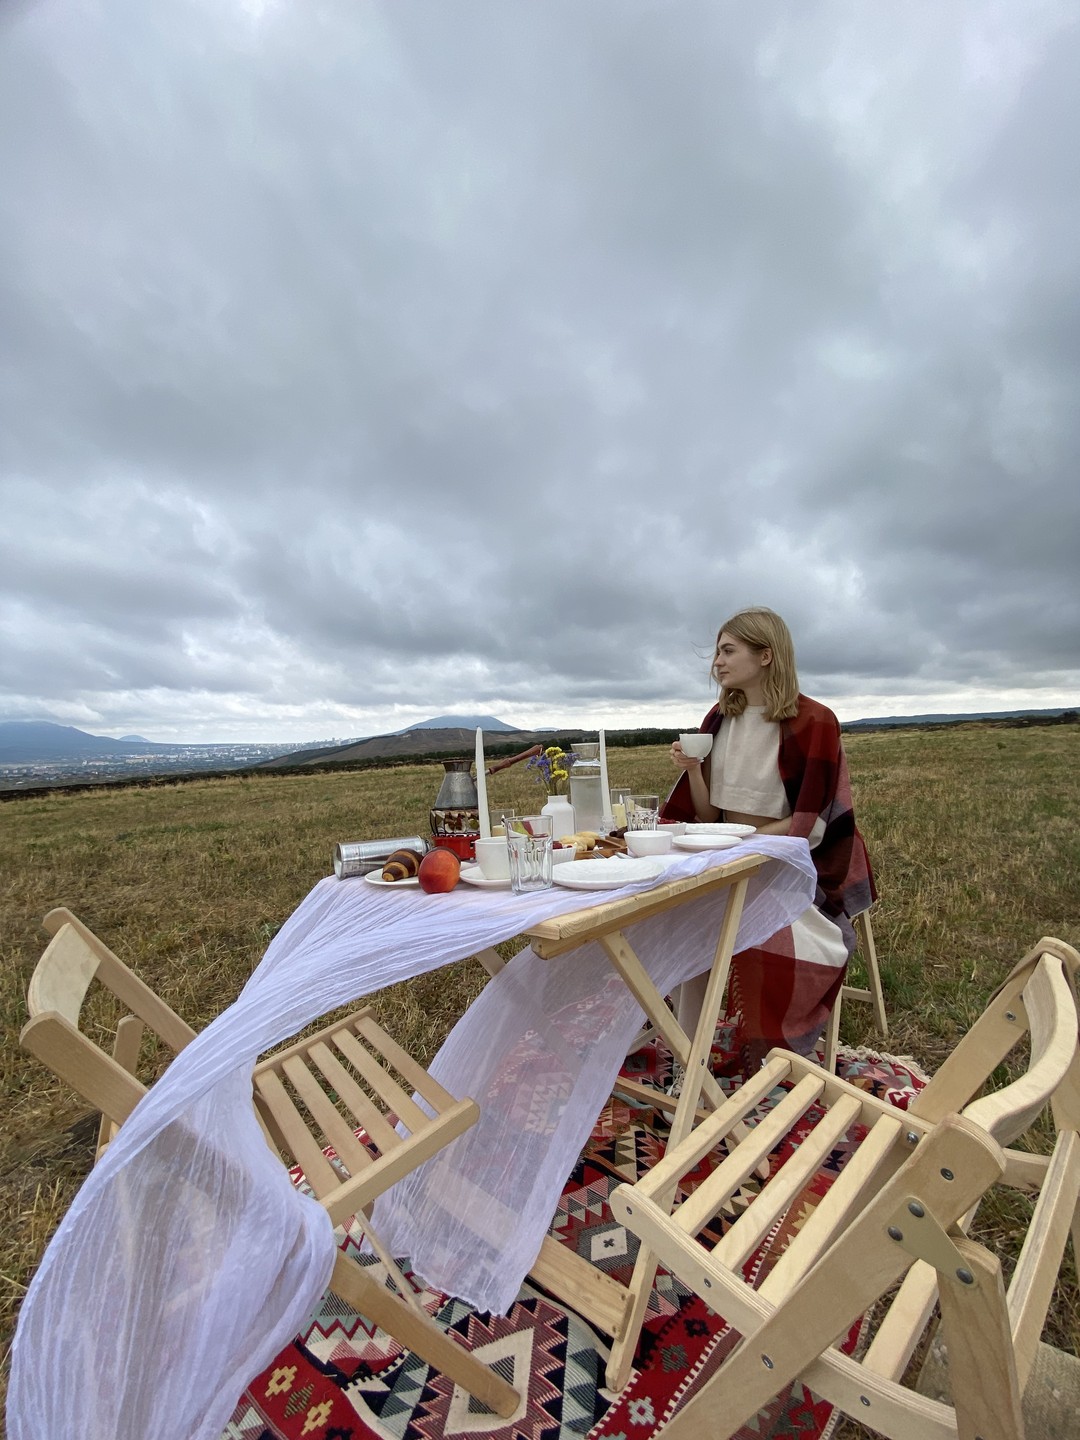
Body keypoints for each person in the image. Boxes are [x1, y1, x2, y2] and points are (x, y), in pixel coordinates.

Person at [662, 606, 875, 1073]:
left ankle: (761, 1055)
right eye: (717, 652)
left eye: (727, 650)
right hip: (728, 854)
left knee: (725, 926)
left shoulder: (814, 721)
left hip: (789, 862)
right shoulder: (720, 717)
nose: (716, 662)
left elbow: (811, 824)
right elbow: (705, 815)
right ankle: (686, 1055)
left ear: (765, 655)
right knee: (682, 920)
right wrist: (694, 769)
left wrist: (745, 841)